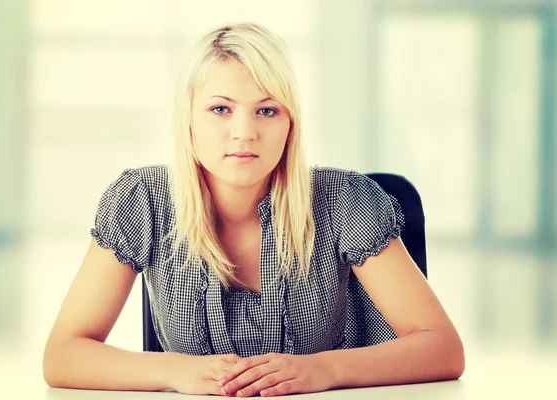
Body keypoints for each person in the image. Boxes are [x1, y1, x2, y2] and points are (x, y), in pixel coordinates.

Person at [43, 22, 465, 397]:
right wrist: (176, 371)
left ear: (290, 125)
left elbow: (443, 348)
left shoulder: (343, 200)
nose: (244, 132)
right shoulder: (142, 199)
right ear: (187, 121)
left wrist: (322, 370)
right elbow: (62, 356)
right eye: (220, 109)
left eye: (266, 110)